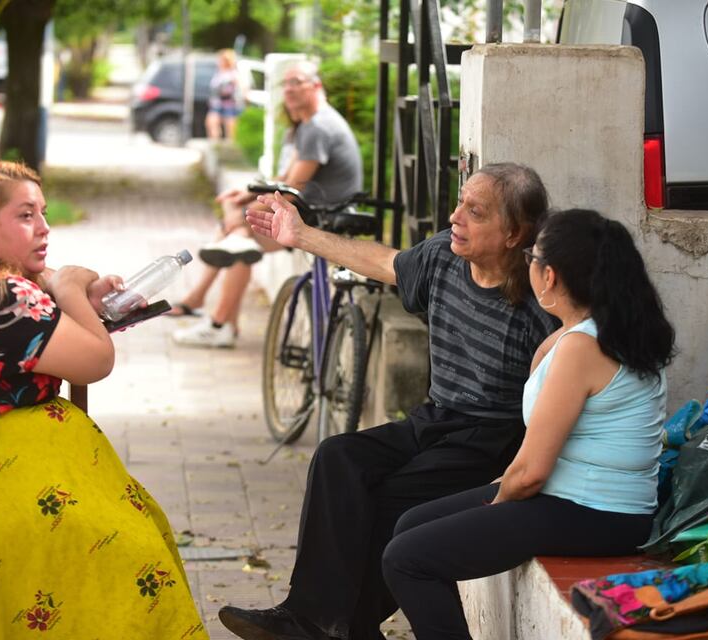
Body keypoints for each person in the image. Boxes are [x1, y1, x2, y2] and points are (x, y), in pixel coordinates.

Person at [219, 163, 561, 640]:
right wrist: (300, 234)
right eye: (460, 202)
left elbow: (564, 386)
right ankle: (308, 617)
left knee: (388, 502)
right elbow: (383, 262)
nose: (455, 217)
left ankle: (347, 627)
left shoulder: (538, 296)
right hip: (435, 417)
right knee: (338, 458)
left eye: (475, 211)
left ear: (514, 233)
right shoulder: (444, 255)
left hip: (493, 436)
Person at [0, 161, 208, 639]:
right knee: (134, 557)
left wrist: (63, 288)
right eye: (25, 215)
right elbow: (95, 360)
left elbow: (41, 304)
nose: (44, 226)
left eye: (44, 212)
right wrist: (73, 290)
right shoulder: (2, 294)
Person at [380, 209, 676, 640]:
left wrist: (499, 504)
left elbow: (532, 471)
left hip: (595, 513)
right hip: (584, 502)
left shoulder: (582, 346)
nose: (527, 264)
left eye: (532, 257)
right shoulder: (597, 330)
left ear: (550, 275)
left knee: (406, 558)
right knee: (410, 525)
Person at [171, 60, 362, 348]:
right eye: (286, 83)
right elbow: (286, 179)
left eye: (297, 82)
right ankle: (213, 315)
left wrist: (244, 213)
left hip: (322, 217)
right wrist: (246, 197)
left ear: (316, 85)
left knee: (240, 237)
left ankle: (218, 322)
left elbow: (290, 192)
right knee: (238, 237)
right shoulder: (313, 123)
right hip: (316, 212)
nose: (289, 89)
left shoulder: (318, 127)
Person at [206, 48, 243, 141]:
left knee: (231, 130)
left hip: (229, 104)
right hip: (217, 103)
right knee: (211, 123)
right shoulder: (218, 74)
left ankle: (229, 148)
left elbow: (238, 88)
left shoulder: (233, 74)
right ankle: (216, 144)